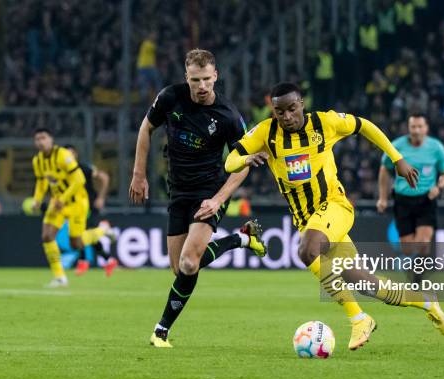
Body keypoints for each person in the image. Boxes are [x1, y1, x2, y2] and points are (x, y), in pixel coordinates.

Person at [225, 82, 444, 350]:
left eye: (291, 109)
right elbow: (230, 161)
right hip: (307, 221)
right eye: (279, 111)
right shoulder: (265, 132)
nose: (286, 117)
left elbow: (364, 125)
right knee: (368, 285)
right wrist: (246, 160)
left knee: (307, 251)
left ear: (302, 104)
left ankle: (359, 319)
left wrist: (397, 159)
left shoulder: (324, 123)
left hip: (335, 206)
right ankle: (426, 301)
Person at [129, 49, 267, 348]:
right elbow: (146, 127)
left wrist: (218, 200)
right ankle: (241, 239)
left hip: (209, 191)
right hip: (178, 191)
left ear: (215, 76)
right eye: (195, 80)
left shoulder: (228, 116)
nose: (202, 86)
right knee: (179, 269)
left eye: (207, 79)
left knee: (190, 264)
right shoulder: (169, 97)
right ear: (186, 77)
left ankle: (161, 331)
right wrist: (139, 173)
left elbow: (241, 165)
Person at [31, 128, 113, 288]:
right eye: (37, 139)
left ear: (51, 139)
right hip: (58, 204)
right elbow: (41, 183)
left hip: (76, 202)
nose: (41, 141)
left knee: (76, 243)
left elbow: (79, 179)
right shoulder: (38, 161)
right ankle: (60, 277)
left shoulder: (62, 155)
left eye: (43, 138)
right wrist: (37, 200)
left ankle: (103, 229)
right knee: (47, 236)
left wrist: (63, 198)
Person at [377, 113, 444, 281]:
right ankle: (416, 266)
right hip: (402, 200)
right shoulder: (396, 146)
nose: (416, 130)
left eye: (420, 127)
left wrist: (439, 187)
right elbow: (384, 169)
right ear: (408, 128)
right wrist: (382, 198)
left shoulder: (436, 148)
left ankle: (417, 276)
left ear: (426, 128)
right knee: (408, 249)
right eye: (413, 127)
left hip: (426, 199)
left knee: (424, 242)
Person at [65, 145, 118, 277]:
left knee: (81, 234)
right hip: (74, 206)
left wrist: (101, 198)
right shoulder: (64, 172)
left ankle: (83, 261)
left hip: (88, 205)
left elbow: (104, 178)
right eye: (66, 154)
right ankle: (109, 260)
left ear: (76, 155)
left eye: (71, 153)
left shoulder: (84, 168)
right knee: (88, 237)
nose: (68, 156)